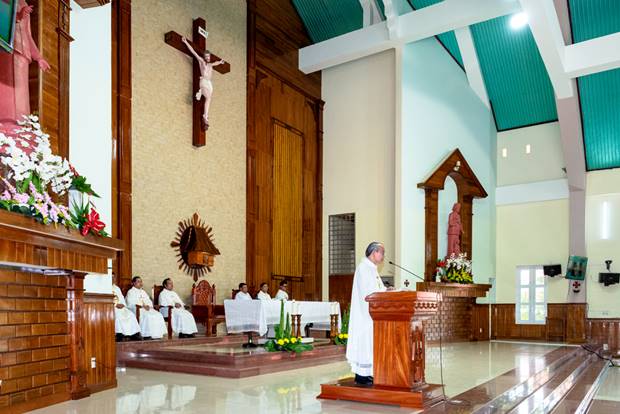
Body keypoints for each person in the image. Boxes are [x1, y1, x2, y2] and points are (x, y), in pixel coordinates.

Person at [346, 241, 387, 385]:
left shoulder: (372, 269)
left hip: (372, 314)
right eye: (382, 253)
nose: (383, 256)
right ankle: (362, 376)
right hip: (365, 315)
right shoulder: (364, 268)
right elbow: (368, 292)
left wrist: (387, 291)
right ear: (374, 252)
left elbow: (377, 288)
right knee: (365, 343)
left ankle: (368, 373)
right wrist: (383, 292)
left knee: (370, 344)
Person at [181, 36, 225, 130]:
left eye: (209, 57)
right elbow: (193, 52)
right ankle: (205, 115)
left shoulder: (210, 64)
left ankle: (205, 115)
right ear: (204, 57)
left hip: (209, 83)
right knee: (208, 97)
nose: (208, 58)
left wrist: (220, 62)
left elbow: (216, 63)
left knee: (209, 98)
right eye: (206, 57)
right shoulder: (201, 61)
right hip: (204, 81)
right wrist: (186, 42)